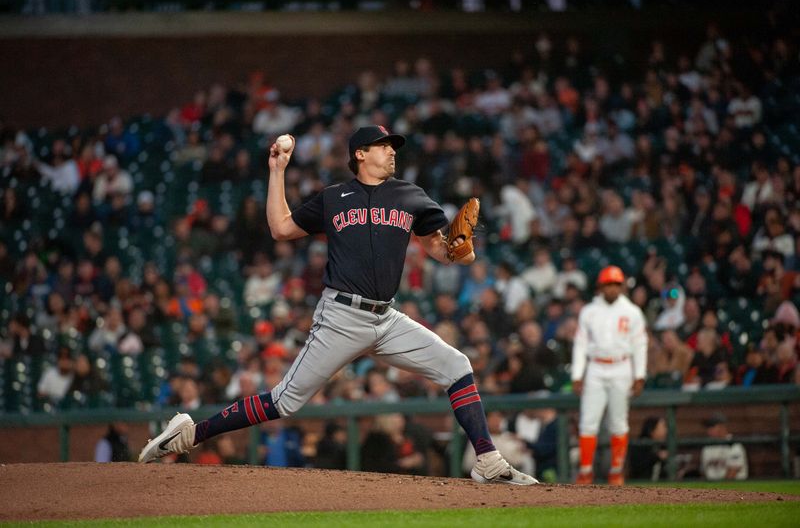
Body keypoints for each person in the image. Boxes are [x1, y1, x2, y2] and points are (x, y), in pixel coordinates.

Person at [139, 125, 537, 485]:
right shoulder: (334, 197)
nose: (391, 152)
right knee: (284, 402)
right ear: (360, 154)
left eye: (392, 146)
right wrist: (277, 170)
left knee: (458, 366)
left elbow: (440, 246)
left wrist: (458, 254)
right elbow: (281, 229)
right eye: (383, 146)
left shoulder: (410, 195)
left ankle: (486, 459)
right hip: (341, 317)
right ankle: (190, 432)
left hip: (387, 317)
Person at [572, 265, 647, 485]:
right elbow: (580, 344)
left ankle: (616, 471)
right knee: (588, 422)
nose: (612, 288)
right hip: (595, 367)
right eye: (608, 284)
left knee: (619, 423)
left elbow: (640, 345)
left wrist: (639, 375)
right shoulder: (589, 311)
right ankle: (585, 471)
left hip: (621, 367)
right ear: (601, 287)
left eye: (616, 284)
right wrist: (577, 374)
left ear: (622, 286)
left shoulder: (632, 312)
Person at [700, 413, 748, 481]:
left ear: (722, 427)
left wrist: (719, 489)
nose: (709, 430)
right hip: (712, 488)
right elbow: (704, 472)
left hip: (733, 487)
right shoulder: (707, 446)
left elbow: (732, 472)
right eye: (708, 427)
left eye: (712, 426)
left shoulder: (734, 444)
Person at [628, 416, 668, 481]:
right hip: (640, 485)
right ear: (651, 430)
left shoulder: (664, 445)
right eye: (663, 427)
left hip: (662, 486)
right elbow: (638, 466)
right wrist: (657, 456)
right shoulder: (640, 445)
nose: (666, 431)